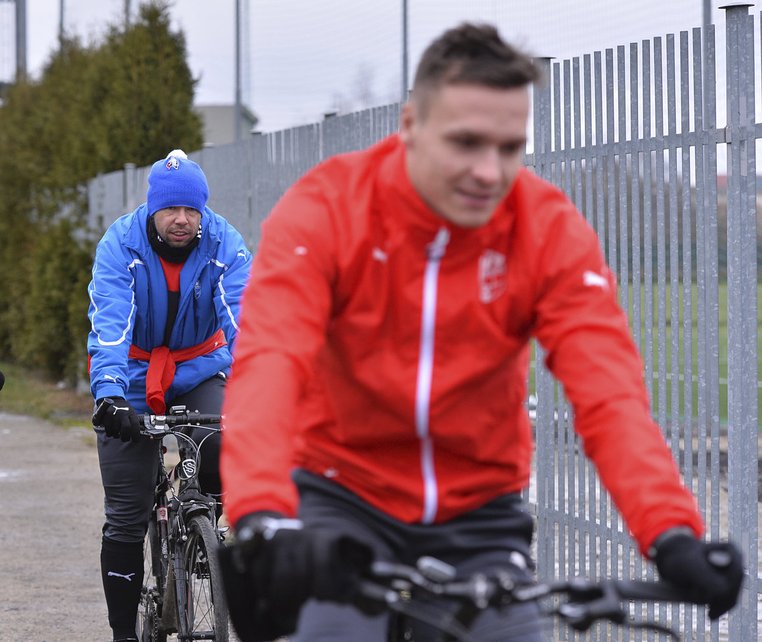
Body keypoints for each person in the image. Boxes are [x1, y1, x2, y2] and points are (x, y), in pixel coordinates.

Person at [217, 22, 744, 642]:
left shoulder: (545, 228)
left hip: (481, 517)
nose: (489, 172)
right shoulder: (328, 208)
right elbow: (272, 362)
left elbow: (609, 396)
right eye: (466, 143)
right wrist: (261, 515)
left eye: (509, 147)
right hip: (342, 498)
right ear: (411, 126)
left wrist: (670, 532)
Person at [87, 149, 251, 642]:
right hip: (132, 375)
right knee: (125, 516)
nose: (181, 221)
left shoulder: (225, 244)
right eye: (170, 210)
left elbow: (248, 320)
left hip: (200, 367)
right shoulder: (121, 243)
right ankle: (123, 633)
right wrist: (110, 396)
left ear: (203, 211)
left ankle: (199, 524)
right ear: (152, 209)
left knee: (223, 445)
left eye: (191, 211)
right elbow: (110, 325)